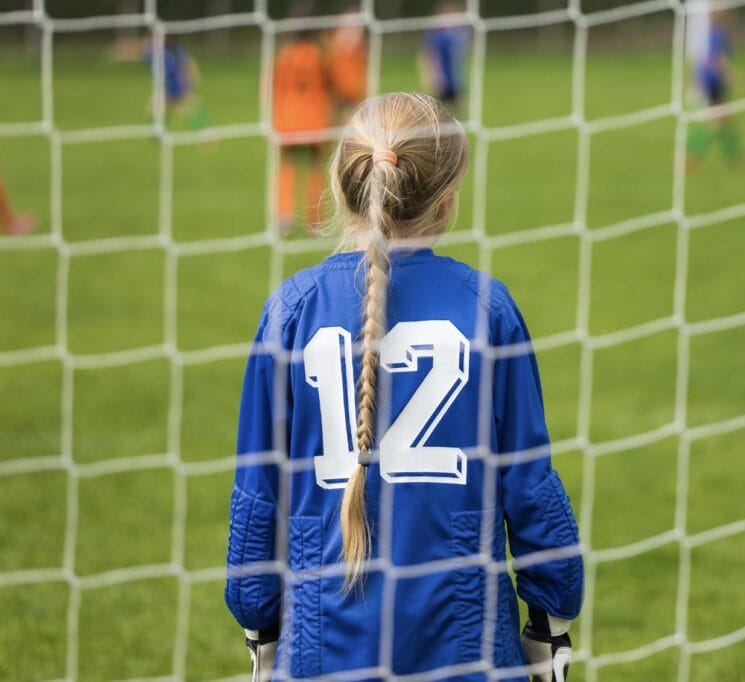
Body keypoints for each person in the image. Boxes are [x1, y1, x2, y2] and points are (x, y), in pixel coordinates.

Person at [225, 92, 584, 681]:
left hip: (321, 653)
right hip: (466, 652)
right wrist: (552, 621)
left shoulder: (291, 311)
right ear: (446, 201)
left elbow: (258, 494)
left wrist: (259, 626)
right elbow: (530, 485)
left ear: (343, 188)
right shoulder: (486, 308)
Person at [272, 30, 333, 235]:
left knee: (286, 162)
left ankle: (284, 216)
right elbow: (332, 83)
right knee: (315, 164)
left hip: (287, 118)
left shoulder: (284, 54)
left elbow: (270, 85)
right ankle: (315, 220)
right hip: (314, 118)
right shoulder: (319, 54)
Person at [685, 9, 743, 170]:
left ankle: (733, 158)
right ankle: (690, 155)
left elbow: (700, 60)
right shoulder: (718, 35)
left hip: (711, 83)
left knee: (725, 121)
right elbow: (717, 59)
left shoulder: (709, 34)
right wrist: (733, 77)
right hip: (713, 84)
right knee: (716, 122)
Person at [419, 2, 470, 112]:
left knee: (457, 111)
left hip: (456, 79)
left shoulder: (458, 34)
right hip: (441, 79)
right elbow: (426, 56)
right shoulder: (435, 36)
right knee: (439, 112)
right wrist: (428, 77)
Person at [326, 7, 368, 124]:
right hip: (336, 88)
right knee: (331, 121)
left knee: (351, 120)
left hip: (352, 91)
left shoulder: (359, 46)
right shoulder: (335, 42)